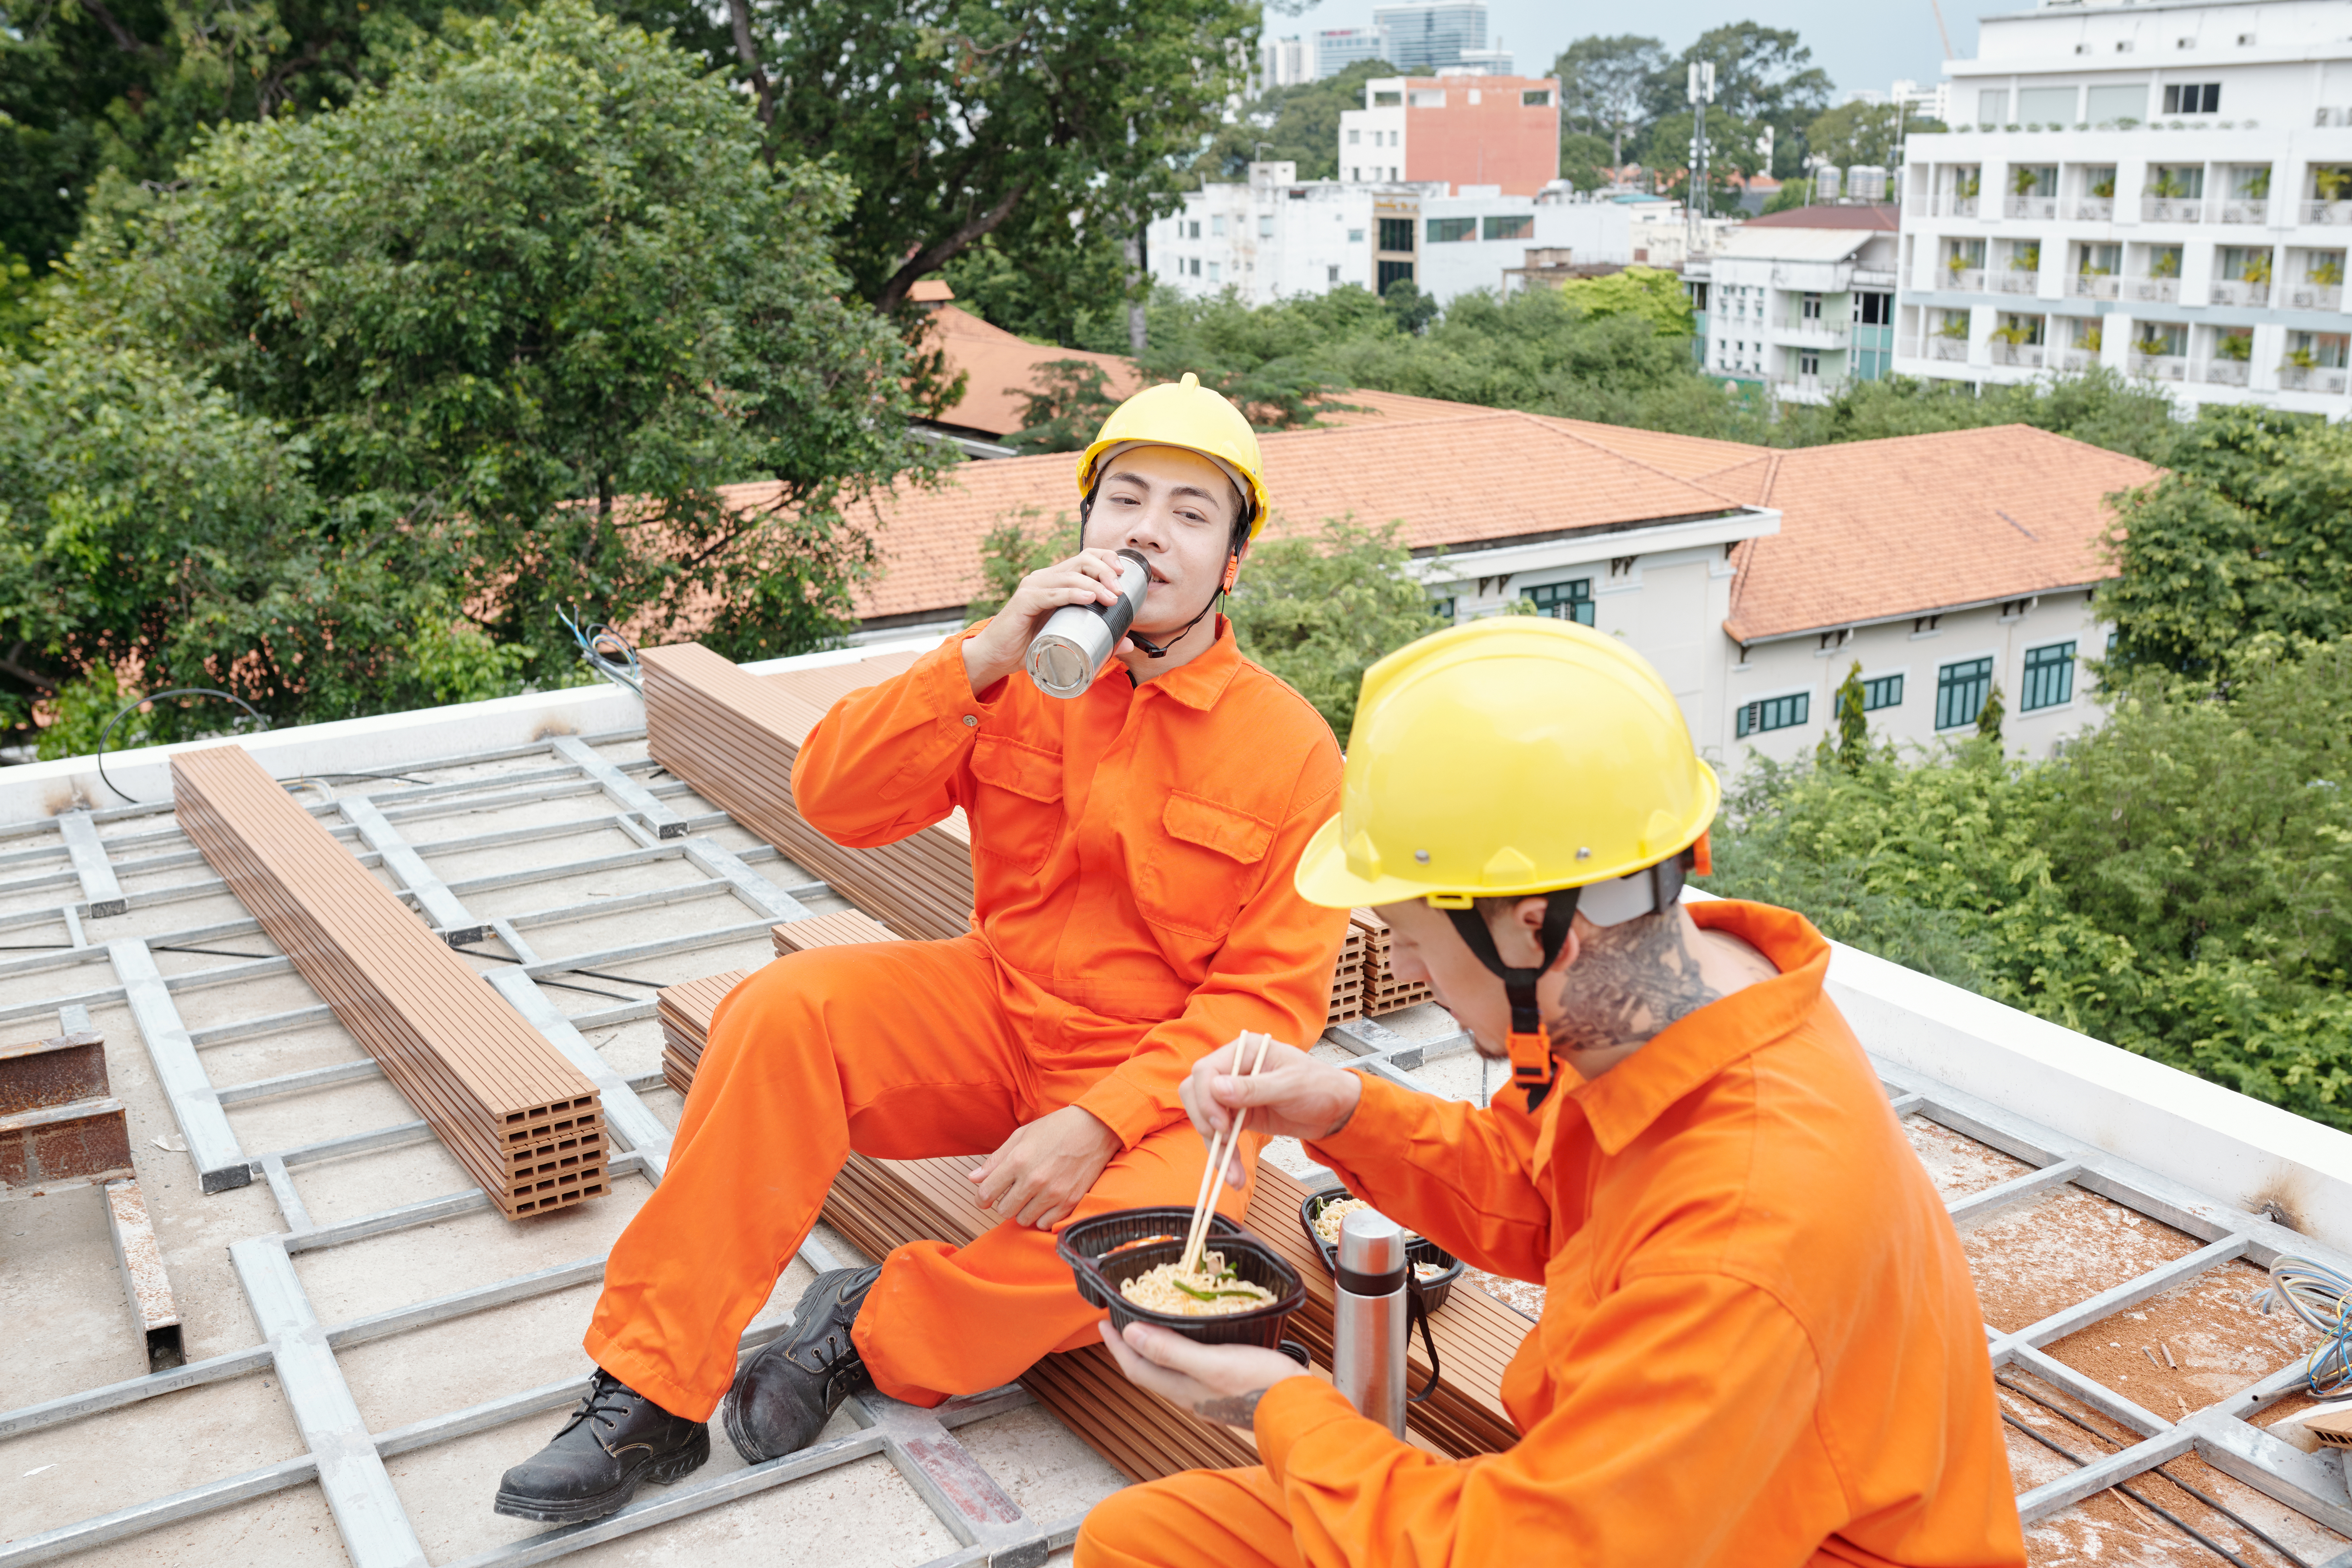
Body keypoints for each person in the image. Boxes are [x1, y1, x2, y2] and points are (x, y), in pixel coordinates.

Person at [493, 374, 1351, 1524]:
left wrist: (1096, 1119)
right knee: (781, 1012)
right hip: (996, 1009)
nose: (1149, 529)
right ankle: (649, 1392)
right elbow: (834, 797)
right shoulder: (1017, 669)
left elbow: (1270, 1005)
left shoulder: (1292, 749)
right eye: (1126, 499)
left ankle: (866, 1333)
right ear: (1086, 522)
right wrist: (986, 650)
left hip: (1166, 1088)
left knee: (1139, 1266)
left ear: (1231, 560)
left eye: (1192, 512)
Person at [1084, 618, 2028, 1568]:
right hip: (1660, 1498)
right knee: (1145, 1544)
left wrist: (1274, 1405)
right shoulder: (1659, 1008)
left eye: (1411, 936)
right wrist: (1341, 1108)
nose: (1400, 961)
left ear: (1535, 933)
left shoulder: (1744, 1238)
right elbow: (1542, 1197)